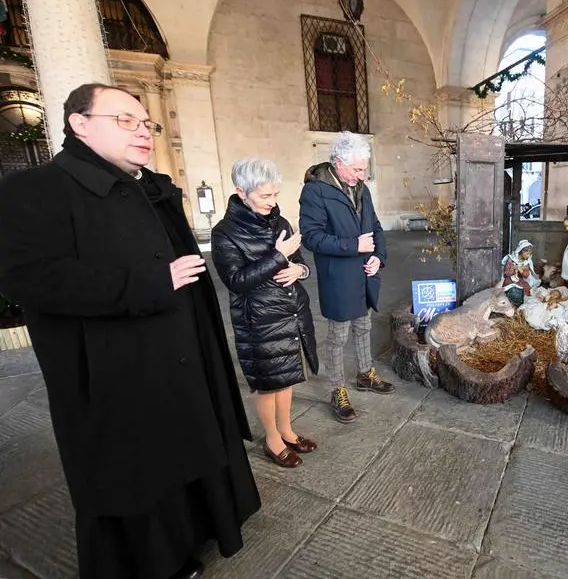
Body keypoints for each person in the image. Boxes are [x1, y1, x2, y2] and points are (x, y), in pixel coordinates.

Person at [0, 83, 260, 579]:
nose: (143, 131)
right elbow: (29, 277)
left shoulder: (150, 186)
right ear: (79, 123)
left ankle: (203, 529)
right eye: (126, 120)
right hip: (112, 367)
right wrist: (146, 284)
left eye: (147, 123)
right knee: (137, 470)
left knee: (187, 448)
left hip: (180, 351)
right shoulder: (34, 189)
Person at [211, 158, 320, 468]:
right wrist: (277, 257)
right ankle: (272, 439)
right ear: (241, 192)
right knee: (268, 383)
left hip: (290, 312)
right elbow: (236, 281)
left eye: (275, 195)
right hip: (258, 319)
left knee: (286, 378)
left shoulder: (279, 221)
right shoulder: (225, 233)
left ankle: (286, 429)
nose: (272, 203)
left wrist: (298, 269)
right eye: (264, 196)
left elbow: (300, 261)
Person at [299, 131, 393, 424]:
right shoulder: (315, 191)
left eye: (364, 168)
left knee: (364, 326)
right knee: (338, 336)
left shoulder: (361, 187)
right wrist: (353, 246)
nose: (362, 174)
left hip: (365, 272)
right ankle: (337, 389)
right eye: (357, 169)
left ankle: (366, 373)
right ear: (338, 163)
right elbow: (311, 238)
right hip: (338, 277)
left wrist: (379, 255)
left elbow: (375, 226)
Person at [500, 239, 541, 306]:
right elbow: (506, 273)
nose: (528, 256)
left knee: (526, 288)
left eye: (530, 254)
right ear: (521, 251)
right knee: (513, 290)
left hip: (521, 280)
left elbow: (526, 275)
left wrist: (520, 269)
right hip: (510, 280)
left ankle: (522, 303)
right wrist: (513, 270)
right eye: (527, 254)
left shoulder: (526, 261)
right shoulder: (511, 259)